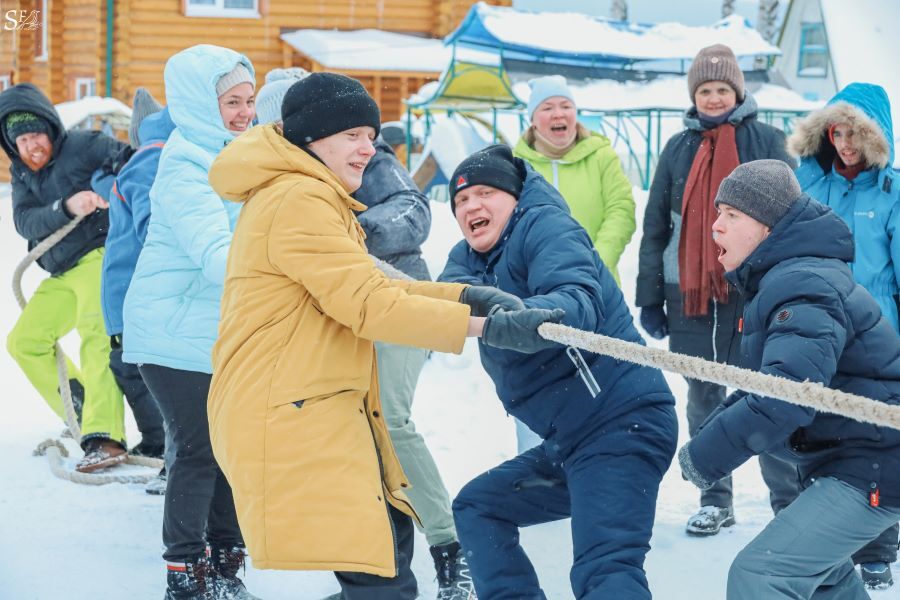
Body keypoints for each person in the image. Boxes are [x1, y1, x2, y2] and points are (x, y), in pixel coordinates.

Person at [205, 72, 559, 600]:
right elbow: (367, 303)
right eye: (353, 134)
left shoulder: (311, 193)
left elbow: (370, 282)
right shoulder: (299, 199)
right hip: (289, 406)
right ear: (311, 137)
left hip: (311, 402)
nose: (369, 147)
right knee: (380, 571)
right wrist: (485, 327)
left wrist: (464, 298)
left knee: (385, 543)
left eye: (370, 135)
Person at [253, 73, 473, 598]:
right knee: (349, 441)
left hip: (397, 299)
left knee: (390, 426)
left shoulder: (362, 157)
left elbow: (413, 212)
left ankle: (452, 551)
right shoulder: (284, 178)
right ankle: (372, 577)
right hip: (339, 313)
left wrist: (349, 236)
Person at [439, 144, 678, 599]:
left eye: (485, 193)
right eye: (461, 201)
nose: (471, 206)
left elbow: (575, 301)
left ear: (513, 197)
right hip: (570, 441)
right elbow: (428, 303)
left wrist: (524, 318)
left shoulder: (546, 227)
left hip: (622, 424)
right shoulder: (467, 263)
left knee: (604, 568)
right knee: (478, 508)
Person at [679, 159, 900, 600]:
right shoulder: (785, 279)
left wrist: (703, 456)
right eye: (718, 214)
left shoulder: (803, 284)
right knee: (825, 581)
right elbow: (765, 385)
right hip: (850, 460)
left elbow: (786, 397)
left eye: (732, 215)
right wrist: (705, 440)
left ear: (767, 226)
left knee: (761, 575)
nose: (715, 228)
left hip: (872, 464)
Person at [635, 43, 794, 536]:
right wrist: (649, 294)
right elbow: (656, 223)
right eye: (704, 89)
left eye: (722, 88)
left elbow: (792, 217)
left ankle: (788, 505)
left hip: (755, 292)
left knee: (767, 396)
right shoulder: (677, 147)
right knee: (703, 395)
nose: (713, 97)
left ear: (738, 92)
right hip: (691, 291)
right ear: (694, 94)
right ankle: (714, 497)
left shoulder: (768, 140)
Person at [121, 45, 258, 600]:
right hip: (171, 334)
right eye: (232, 101)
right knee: (200, 450)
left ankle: (226, 564)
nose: (245, 112)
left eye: (250, 100)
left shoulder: (235, 154)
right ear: (201, 102)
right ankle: (186, 574)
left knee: (230, 449)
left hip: (214, 333)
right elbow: (219, 255)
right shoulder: (184, 165)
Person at [787, 81, 900, 589]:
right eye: (838, 132)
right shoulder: (806, 183)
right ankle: (814, 542)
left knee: (877, 439)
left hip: (879, 338)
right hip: (819, 330)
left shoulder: (892, 192)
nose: (847, 145)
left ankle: (877, 546)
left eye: (857, 134)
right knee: (816, 431)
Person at [0, 82, 132, 472]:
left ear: (51, 129)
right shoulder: (22, 171)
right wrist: (66, 205)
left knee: (96, 336)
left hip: (99, 255)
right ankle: (81, 411)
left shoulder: (85, 146)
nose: (31, 146)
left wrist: (109, 189)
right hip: (62, 270)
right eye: (21, 140)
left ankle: (106, 437)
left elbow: (132, 165)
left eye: (36, 134)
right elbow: (25, 221)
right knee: (25, 341)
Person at [511, 75, 636, 452]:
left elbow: (622, 210)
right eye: (548, 107)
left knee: (598, 384)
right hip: (534, 295)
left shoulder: (601, 156)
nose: (558, 113)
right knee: (537, 384)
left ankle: (596, 460)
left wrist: (597, 260)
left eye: (565, 106)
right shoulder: (516, 166)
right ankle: (536, 468)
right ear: (534, 119)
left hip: (598, 292)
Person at [92, 88, 173, 493]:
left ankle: (170, 455)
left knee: (147, 374)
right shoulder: (148, 163)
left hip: (137, 297)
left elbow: (150, 228)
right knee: (133, 369)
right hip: (131, 297)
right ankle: (162, 446)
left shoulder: (147, 162)